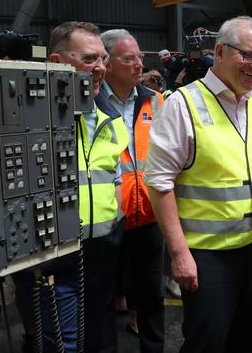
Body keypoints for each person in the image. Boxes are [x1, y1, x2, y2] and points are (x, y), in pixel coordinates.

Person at [144, 16, 252, 353]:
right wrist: (179, 254)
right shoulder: (184, 105)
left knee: (243, 339)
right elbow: (159, 183)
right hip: (208, 253)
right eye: (248, 55)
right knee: (207, 342)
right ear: (221, 51)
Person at [14, 21, 129, 353]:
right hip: (54, 257)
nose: (101, 68)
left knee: (101, 337)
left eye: (103, 59)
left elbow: (114, 177)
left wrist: (115, 224)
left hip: (103, 251)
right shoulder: (30, 120)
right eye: (90, 59)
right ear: (57, 62)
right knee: (64, 343)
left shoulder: (110, 115)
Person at [97, 28, 165, 353]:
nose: (139, 64)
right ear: (107, 64)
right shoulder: (90, 104)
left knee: (152, 295)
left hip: (151, 217)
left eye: (140, 57)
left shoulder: (156, 102)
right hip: (109, 219)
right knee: (105, 299)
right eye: (129, 58)